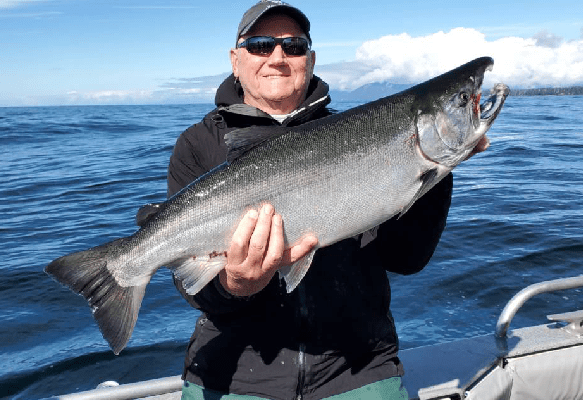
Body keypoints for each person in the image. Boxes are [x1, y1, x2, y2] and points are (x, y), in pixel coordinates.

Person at [168, 1, 487, 399]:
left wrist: (438, 171)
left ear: (311, 59)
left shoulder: (361, 134)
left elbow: (407, 259)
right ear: (236, 60)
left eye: (294, 47)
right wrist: (236, 285)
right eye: (262, 45)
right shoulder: (198, 145)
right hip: (233, 374)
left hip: (359, 367)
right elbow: (190, 284)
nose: (278, 58)